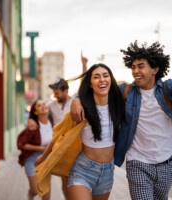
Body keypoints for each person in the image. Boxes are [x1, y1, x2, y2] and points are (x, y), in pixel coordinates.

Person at [70, 41, 172, 200]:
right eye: (133, 67)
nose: (135, 71)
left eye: (140, 66)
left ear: (155, 69)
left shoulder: (168, 89)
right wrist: (77, 99)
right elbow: (94, 90)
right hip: (137, 163)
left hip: (167, 164)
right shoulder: (125, 91)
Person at [34, 63, 125, 200]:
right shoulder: (81, 109)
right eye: (96, 77)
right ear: (90, 84)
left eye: (105, 76)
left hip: (107, 172)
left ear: (111, 80)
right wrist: (43, 157)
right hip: (82, 170)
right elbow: (60, 135)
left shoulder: (118, 105)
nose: (102, 79)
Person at [27, 53, 88, 200]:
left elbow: (84, 84)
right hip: (55, 145)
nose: (54, 94)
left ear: (66, 91)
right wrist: (31, 120)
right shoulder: (51, 105)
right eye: (53, 92)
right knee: (46, 174)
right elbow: (37, 109)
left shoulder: (75, 100)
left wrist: (84, 64)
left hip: (72, 146)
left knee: (66, 179)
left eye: (57, 92)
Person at [17, 99, 53, 200]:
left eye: (44, 104)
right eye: (39, 105)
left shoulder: (52, 121)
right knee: (35, 190)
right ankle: (30, 195)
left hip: (47, 158)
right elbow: (22, 144)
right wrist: (40, 148)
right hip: (32, 157)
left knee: (46, 191)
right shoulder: (33, 125)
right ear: (36, 112)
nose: (43, 106)